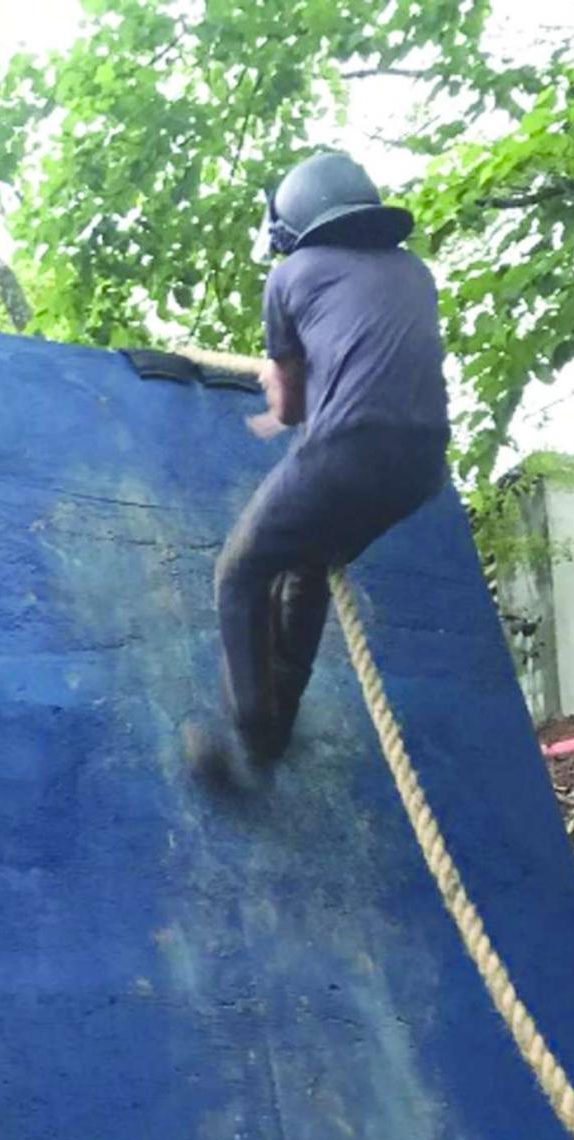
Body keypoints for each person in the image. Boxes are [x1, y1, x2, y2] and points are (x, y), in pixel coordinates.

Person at [198, 152, 451, 782]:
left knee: (240, 572)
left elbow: (292, 404)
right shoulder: (415, 273)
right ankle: (278, 718)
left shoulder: (290, 275)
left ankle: (255, 729)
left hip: (348, 450)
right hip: (421, 465)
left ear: (298, 221)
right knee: (310, 561)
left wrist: (272, 401)